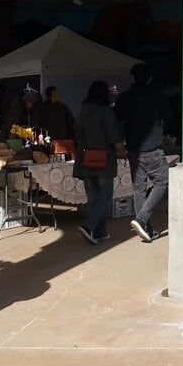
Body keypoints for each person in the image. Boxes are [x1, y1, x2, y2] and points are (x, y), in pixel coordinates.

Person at [114, 63, 171, 243]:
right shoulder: (157, 96)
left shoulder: (125, 97)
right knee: (162, 182)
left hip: (133, 150)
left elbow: (116, 118)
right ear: (150, 78)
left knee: (139, 188)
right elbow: (169, 115)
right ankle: (141, 219)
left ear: (132, 78)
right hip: (153, 148)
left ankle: (145, 230)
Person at [73, 80, 122, 244]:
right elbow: (113, 136)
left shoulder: (82, 112)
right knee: (106, 196)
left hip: (86, 159)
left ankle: (99, 232)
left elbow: (77, 134)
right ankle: (88, 226)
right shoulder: (106, 112)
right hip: (104, 159)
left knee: (94, 198)